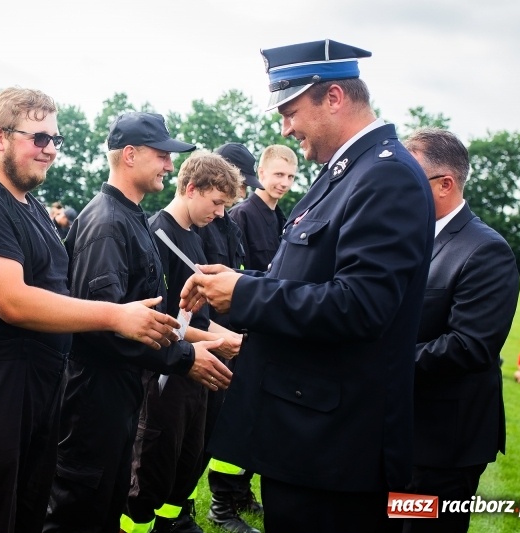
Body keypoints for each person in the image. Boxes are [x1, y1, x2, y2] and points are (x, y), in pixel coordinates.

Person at [180, 39, 434, 532]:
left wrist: (246, 293)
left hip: (335, 451)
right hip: (307, 438)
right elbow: (301, 278)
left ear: (333, 97)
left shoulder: (386, 178)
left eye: (291, 111)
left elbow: (361, 305)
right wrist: (233, 284)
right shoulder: (346, 173)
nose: (285, 127)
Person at [0, 87, 180, 533]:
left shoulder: (30, 207)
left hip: (40, 390)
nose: (50, 150)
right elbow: (13, 302)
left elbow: (59, 294)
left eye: (55, 140)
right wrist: (115, 315)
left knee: (30, 514)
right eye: (39, 138)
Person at [45, 112, 232, 533]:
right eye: (162, 155)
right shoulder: (107, 223)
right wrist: (184, 357)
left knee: (107, 505)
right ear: (130, 155)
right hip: (94, 397)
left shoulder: (130, 216)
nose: (170, 165)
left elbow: (144, 313)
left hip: (122, 389)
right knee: (79, 508)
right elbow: (107, 322)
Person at [402, 127, 519, 532]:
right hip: (403, 430)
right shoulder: (409, 239)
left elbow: (469, 346)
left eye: (408, 180)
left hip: (443, 443)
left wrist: (383, 362)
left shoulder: (485, 249)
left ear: (445, 184)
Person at [121, 151, 242, 533]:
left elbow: (198, 317)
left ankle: (170, 525)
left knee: (187, 460)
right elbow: (163, 321)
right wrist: (221, 341)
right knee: (152, 467)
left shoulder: (195, 237)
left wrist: (231, 339)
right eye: (217, 202)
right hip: (164, 373)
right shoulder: (158, 234)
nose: (221, 213)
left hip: (195, 368)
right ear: (191, 188)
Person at [197, 143, 262, 533]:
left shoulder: (229, 224)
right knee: (193, 435)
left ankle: (228, 498)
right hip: (206, 340)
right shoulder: (200, 225)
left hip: (230, 337)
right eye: (222, 197)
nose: (227, 206)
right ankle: (208, 504)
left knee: (219, 428)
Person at [228, 144, 297, 272]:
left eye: (290, 177)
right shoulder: (240, 215)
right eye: (279, 174)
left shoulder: (284, 221)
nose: (285, 183)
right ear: (261, 172)